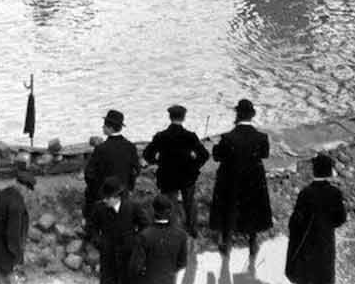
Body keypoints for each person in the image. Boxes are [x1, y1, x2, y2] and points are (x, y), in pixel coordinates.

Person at [210, 98, 274, 263]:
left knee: (229, 208)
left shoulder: (228, 137)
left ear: (237, 115)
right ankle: (252, 244)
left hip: (231, 177)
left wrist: (216, 148)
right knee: (252, 208)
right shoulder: (261, 137)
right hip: (253, 178)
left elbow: (217, 156)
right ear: (252, 116)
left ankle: (227, 244)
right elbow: (265, 154)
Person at [285, 153, 348, 284]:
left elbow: (295, 219)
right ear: (328, 172)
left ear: (314, 172)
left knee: (304, 267)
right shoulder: (335, 193)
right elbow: (340, 218)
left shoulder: (305, 192)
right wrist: (328, 226)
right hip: (324, 238)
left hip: (305, 238)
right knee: (322, 268)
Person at [143, 104, 209, 237]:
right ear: (183, 118)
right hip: (187, 175)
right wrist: (194, 165)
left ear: (169, 117)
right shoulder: (190, 136)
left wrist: (157, 162)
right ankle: (192, 230)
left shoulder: (161, 136)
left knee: (170, 204)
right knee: (189, 203)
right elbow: (204, 155)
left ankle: (172, 232)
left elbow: (147, 154)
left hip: (167, 175)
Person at [87, 176, 142, 284]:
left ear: (116, 197)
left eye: (107, 198)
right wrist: (99, 242)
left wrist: (135, 241)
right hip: (108, 257)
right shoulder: (99, 208)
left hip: (127, 258)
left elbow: (145, 226)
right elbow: (91, 228)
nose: (104, 200)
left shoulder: (132, 207)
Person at [129, 194, 189, 284]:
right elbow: (182, 263)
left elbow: (135, 267)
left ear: (153, 211)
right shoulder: (181, 235)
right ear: (170, 212)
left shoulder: (145, 236)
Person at [84, 109, 141, 206]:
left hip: (105, 196)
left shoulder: (101, 149)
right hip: (123, 194)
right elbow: (135, 170)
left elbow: (89, 174)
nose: (102, 127)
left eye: (104, 125)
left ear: (109, 128)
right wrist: (129, 188)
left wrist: (97, 191)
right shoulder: (130, 147)